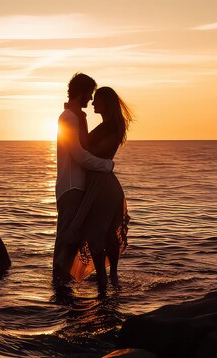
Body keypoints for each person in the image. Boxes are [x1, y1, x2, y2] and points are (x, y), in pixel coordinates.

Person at [64, 86, 132, 290]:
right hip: (104, 184)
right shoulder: (107, 126)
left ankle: (105, 279)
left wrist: (79, 121)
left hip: (102, 187)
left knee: (96, 235)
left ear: (106, 103)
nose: (93, 103)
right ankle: (112, 279)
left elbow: (92, 151)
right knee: (108, 234)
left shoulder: (113, 127)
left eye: (97, 100)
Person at [53, 73, 114, 283]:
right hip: (71, 189)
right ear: (82, 92)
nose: (91, 99)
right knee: (67, 242)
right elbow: (78, 154)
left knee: (73, 240)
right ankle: (60, 289)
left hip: (76, 188)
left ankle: (64, 288)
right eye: (89, 94)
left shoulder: (76, 117)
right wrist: (106, 165)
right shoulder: (68, 118)